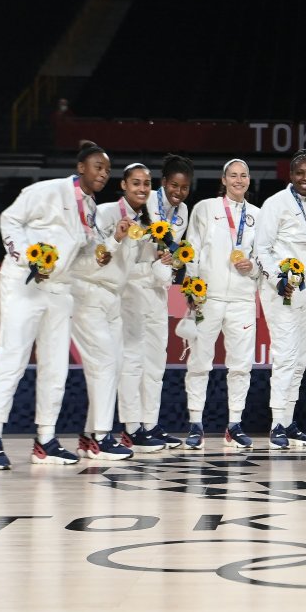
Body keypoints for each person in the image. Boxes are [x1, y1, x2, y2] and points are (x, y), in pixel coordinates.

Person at [0, 143, 110, 470]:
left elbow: (78, 259)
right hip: (25, 283)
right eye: (97, 167)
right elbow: (9, 220)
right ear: (81, 167)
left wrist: (99, 256)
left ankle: (45, 441)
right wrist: (27, 257)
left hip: (60, 289)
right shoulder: (47, 190)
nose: (103, 174)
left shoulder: (91, 209)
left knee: (56, 367)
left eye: (107, 169)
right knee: (12, 357)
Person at [71, 162, 168, 461]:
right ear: (123, 185)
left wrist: (159, 253)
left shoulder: (145, 220)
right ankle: (101, 437)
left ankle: (90, 437)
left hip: (113, 297)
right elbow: (95, 255)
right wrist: (117, 236)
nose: (142, 188)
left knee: (109, 369)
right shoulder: (106, 213)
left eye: (146, 184)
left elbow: (132, 262)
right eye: (136, 183)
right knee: (106, 367)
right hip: (90, 293)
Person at [182, 159, 260, 450]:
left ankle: (235, 425)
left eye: (244, 176)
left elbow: (262, 258)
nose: (239, 180)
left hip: (241, 299)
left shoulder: (257, 215)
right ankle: (195, 424)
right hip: (209, 297)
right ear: (224, 179)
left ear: (249, 181)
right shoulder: (205, 208)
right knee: (200, 362)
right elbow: (192, 249)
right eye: (233, 176)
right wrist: (192, 287)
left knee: (240, 366)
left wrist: (251, 268)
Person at [117, 154, 193, 451]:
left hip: (160, 290)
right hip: (134, 286)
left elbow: (173, 251)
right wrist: (153, 266)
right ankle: (131, 427)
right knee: (133, 359)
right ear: (163, 184)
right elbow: (130, 255)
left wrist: (170, 263)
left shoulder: (183, 211)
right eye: (174, 185)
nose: (178, 192)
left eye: (184, 188)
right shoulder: (147, 203)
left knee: (156, 361)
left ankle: (150, 424)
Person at [254, 149, 306, 450]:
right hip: (282, 289)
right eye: (300, 173)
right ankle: (276, 425)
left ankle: (289, 420)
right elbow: (262, 249)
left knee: (300, 358)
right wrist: (276, 279)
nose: (305, 178)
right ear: (290, 175)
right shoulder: (276, 204)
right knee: (284, 355)